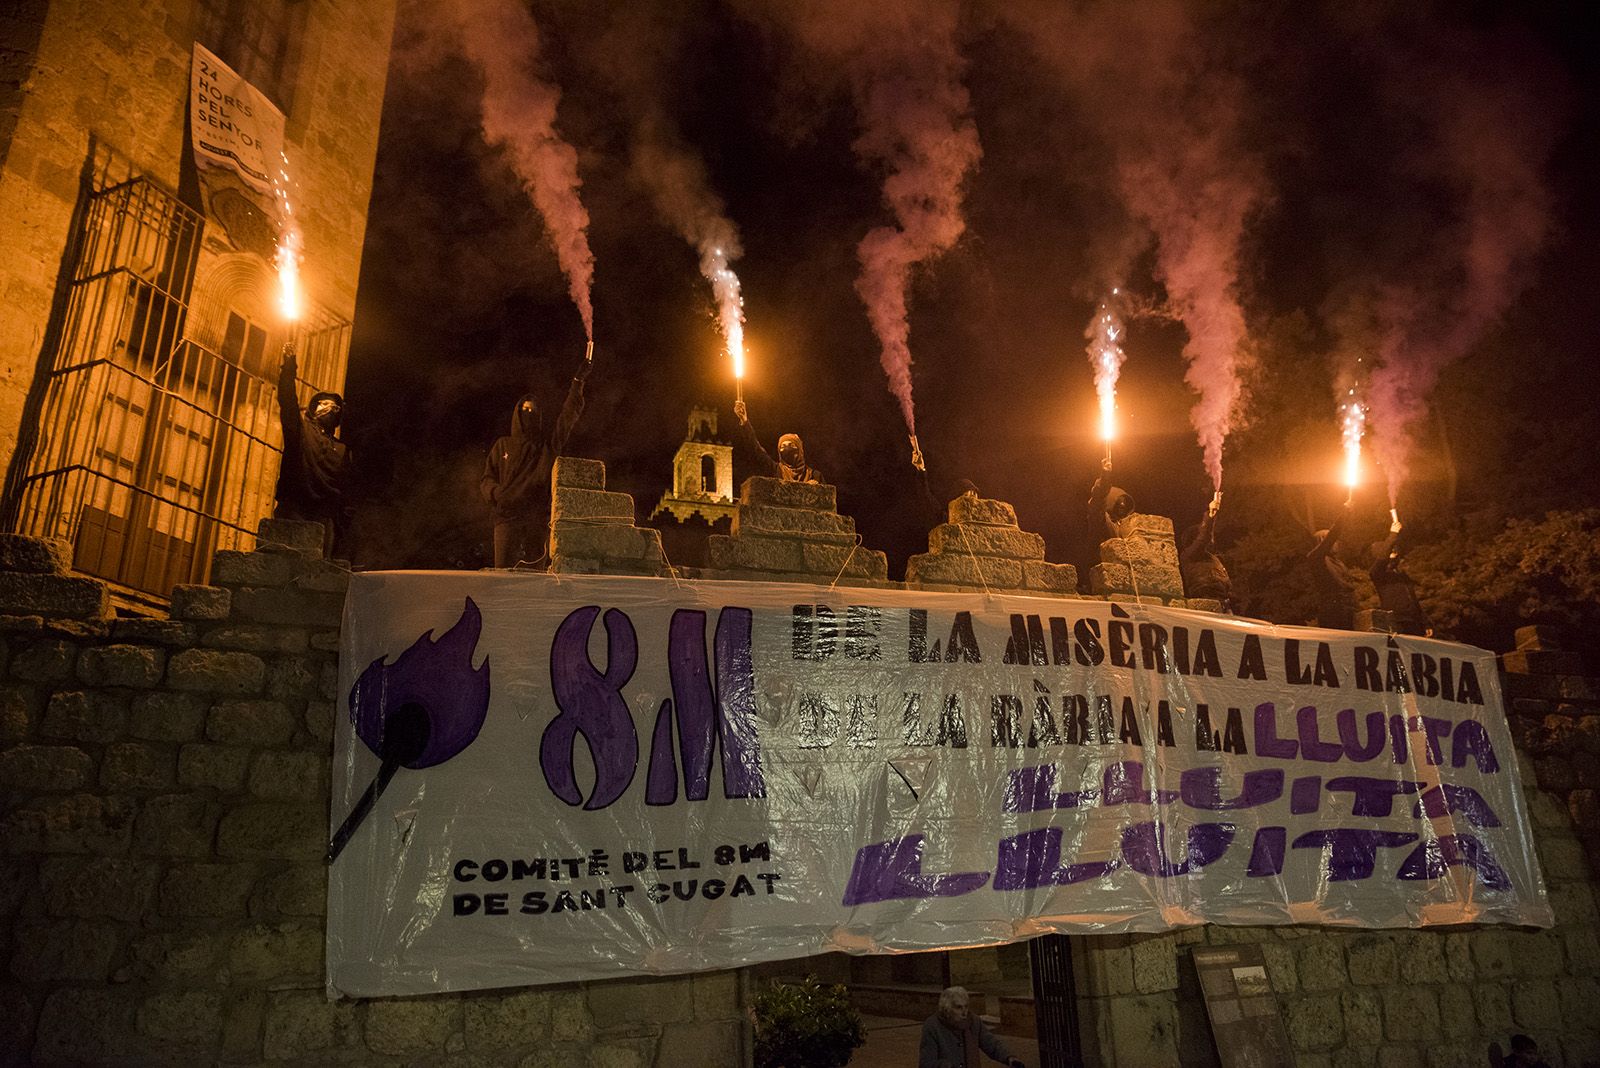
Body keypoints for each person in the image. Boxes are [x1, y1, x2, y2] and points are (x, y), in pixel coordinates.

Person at [480, 358, 590, 569]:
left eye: (533, 411)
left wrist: (578, 382)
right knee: (502, 574)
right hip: (506, 518)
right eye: (525, 410)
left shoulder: (546, 447)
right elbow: (487, 478)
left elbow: (567, 418)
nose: (528, 414)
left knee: (535, 577)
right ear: (517, 414)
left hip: (536, 520)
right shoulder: (503, 445)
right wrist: (497, 493)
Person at [273, 344, 350, 557]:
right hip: (294, 509)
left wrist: (340, 521)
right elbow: (287, 400)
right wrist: (289, 365)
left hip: (323, 517)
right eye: (322, 403)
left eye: (334, 406)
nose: (328, 407)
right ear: (313, 409)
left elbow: (345, 488)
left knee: (316, 569)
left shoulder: (342, 449)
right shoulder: (301, 431)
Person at [919, 986, 1025, 1068]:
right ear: (947, 1009)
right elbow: (926, 1063)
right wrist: (945, 1065)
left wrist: (1009, 1057)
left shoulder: (973, 1021)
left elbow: (990, 1043)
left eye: (966, 1006)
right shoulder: (933, 1026)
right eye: (958, 1007)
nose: (964, 1012)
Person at [733, 398, 824, 484]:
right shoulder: (775, 470)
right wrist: (744, 421)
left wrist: (816, 489)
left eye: (791, 445)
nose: (787, 449)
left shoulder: (815, 476)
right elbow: (755, 449)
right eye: (783, 447)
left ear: (800, 450)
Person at [1369, 516, 1433, 636]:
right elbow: (1382, 557)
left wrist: (1425, 623)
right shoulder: (1378, 574)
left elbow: (1414, 601)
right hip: (1396, 622)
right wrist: (1393, 534)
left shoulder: (1401, 575)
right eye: (1391, 551)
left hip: (1414, 623)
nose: (1394, 552)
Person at [1305, 501, 1358, 630]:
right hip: (1333, 611)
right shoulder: (1316, 559)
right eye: (1332, 541)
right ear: (1322, 541)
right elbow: (1332, 536)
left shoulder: (1339, 563)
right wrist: (1344, 513)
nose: (1336, 543)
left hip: (1348, 608)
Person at [1180, 494, 1232, 609]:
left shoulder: (1211, 557)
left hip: (1222, 601)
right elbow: (1204, 537)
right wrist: (1210, 514)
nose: (1212, 537)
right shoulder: (1189, 555)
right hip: (1207, 598)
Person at [1086, 457, 1135, 541]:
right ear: (1111, 501)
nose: (1122, 504)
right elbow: (1098, 499)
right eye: (1119, 502)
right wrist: (1105, 476)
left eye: (1125, 502)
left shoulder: (1129, 529)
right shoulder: (1101, 520)